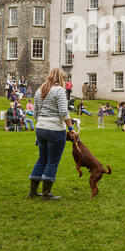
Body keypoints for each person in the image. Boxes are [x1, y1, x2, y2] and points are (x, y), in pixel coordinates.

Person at [28, 68, 76, 200]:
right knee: (52, 161)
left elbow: (36, 112)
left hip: (41, 128)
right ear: (60, 78)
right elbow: (63, 112)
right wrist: (71, 127)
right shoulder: (59, 90)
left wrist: (40, 126)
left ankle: (33, 191)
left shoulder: (39, 90)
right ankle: (46, 193)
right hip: (54, 129)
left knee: (42, 159)